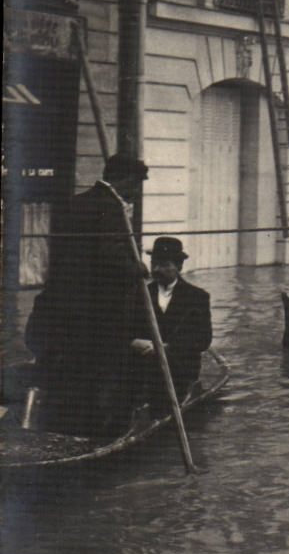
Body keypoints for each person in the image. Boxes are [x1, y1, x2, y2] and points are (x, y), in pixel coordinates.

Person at [30, 153, 151, 434]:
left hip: (68, 303)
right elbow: (109, 256)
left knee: (72, 364)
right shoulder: (110, 208)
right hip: (98, 308)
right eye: (135, 184)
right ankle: (93, 430)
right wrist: (138, 268)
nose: (135, 192)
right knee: (99, 367)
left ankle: (60, 422)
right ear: (123, 180)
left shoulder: (79, 202)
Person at [125, 236, 213, 405]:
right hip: (144, 368)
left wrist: (167, 348)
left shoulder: (197, 297)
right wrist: (134, 342)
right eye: (154, 264)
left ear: (179, 266)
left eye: (165, 265)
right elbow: (126, 330)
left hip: (180, 369)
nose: (157, 269)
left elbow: (203, 340)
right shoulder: (139, 294)